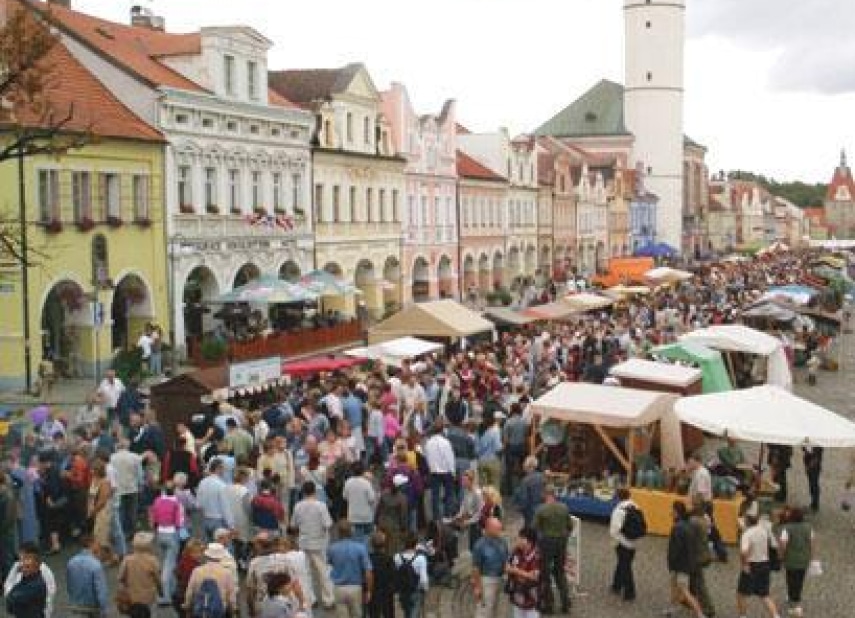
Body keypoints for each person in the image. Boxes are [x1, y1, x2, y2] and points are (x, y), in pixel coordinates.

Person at [290, 480, 335, 609]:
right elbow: (328, 524)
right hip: (319, 543)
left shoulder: (298, 506)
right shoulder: (321, 506)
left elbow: (293, 525)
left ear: (303, 492)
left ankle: (310, 599)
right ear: (314, 491)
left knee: (305, 573)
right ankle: (328, 599)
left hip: (303, 542)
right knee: (323, 572)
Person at [532, 486, 572, 614]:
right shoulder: (564, 507)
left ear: (545, 494)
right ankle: (566, 602)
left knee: (545, 574)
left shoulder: (541, 509)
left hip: (546, 543)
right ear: (554, 494)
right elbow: (570, 526)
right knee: (560, 572)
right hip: (561, 542)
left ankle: (549, 605)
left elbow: (534, 527)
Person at [664, 502, 706, 618]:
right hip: (688, 563)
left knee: (684, 590)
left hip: (679, 565)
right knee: (675, 587)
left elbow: (675, 549)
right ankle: (671, 609)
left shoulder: (677, 528)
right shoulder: (689, 525)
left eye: (672, 511)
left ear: (677, 513)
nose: (671, 513)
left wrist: (670, 563)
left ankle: (700, 613)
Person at [736, 514, 781, 618]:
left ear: (747, 522)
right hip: (765, 564)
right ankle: (775, 615)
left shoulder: (747, 534)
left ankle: (743, 616)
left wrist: (744, 565)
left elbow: (743, 552)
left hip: (752, 565)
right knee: (764, 594)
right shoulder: (762, 530)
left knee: (741, 593)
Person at [327, 520, 374, 618]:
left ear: (339, 532)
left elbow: (330, 563)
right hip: (355, 587)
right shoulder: (360, 548)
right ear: (351, 532)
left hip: (339, 587)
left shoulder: (332, 548)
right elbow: (368, 571)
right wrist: (369, 590)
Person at [148, 482, 184, 605]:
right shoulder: (176, 503)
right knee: (169, 566)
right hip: (171, 534)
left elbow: (153, 518)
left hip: (160, 533)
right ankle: (165, 596)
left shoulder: (157, 501)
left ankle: (171, 589)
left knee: (164, 563)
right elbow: (179, 522)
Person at [779, 507, 816, 618]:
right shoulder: (809, 528)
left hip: (791, 560)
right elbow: (812, 543)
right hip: (804, 560)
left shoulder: (787, 528)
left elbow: (783, 545)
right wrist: (812, 557)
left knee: (791, 579)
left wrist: (780, 557)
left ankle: (795, 604)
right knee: (800, 579)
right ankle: (793, 597)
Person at [183, 543, 238, 617]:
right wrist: (233, 610)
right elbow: (231, 596)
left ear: (207, 555)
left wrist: (187, 606)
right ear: (221, 557)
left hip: (201, 610)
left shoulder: (197, 571)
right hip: (219, 611)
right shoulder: (227, 573)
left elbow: (190, 591)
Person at [3, 543, 57, 618]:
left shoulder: (44, 574)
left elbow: (50, 596)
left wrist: (12, 595)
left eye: (26, 558)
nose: (22, 563)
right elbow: (7, 588)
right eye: (20, 558)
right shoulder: (17, 566)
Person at [118, 532, 162, 618]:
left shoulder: (127, 559)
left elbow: (120, 577)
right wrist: (161, 591)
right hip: (149, 598)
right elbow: (157, 579)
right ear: (148, 546)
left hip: (133, 598)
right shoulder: (152, 560)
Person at [471, 517, 508, 618]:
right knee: (484, 610)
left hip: (501, 578)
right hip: (487, 580)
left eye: (500, 528)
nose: (500, 531)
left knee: (499, 609)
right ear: (488, 529)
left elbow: (506, 558)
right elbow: (475, 568)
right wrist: (477, 587)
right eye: (497, 529)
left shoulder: (503, 541)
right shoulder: (479, 545)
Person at [66, 534, 109, 617]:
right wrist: (104, 611)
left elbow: (69, 586)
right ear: (91, 544)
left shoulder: (71, 562)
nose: (99, 546)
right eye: (97, 543)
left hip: (75, 606)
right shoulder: (96, 565)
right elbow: (101, 591)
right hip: (92, 609)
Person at [687, 498, 716, 618]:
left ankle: (708, 608)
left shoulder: (693, 521)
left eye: (692, 504)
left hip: (696, 557)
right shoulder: (704, 519)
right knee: (695, 581)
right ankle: (692, 601)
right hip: (703, 554)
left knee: (700, 583)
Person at [609, 487, 638, 602]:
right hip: (633, 541)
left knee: (625, 566)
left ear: (619, 497)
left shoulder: (619, 509)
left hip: (622, 541)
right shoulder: (635, 506)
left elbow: (614, 529)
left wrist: (614, 539)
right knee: (623, 563)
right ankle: (616, 585)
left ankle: (630, 592)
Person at [424, 421, 456, 523]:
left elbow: (427, 457)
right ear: (442, 431)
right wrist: (453, 471)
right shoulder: (446, 442)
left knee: (435, 495)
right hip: (446, 471)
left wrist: (431, 468)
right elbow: (449, 458)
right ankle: (447, 515)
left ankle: (436, 517)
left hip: (434, 472)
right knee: (449, 494)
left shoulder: (428, 443)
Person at [196, 458, 235, 540]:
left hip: (205, 518)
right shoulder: (221, 485)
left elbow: (198, 504)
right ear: (218, 468)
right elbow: (225, 507)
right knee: (221, 547)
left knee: (209, 548)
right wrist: (231, 525)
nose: (224, 471)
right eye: (223, 468)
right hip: (218, 520)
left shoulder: (202, 482)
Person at [506, 527, 541, 618]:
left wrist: (516, 571)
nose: (518, 540)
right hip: (517, 593)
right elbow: (508, 565)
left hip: (531, 596)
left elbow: (535, 577)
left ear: (529, 541)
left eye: (521, 538)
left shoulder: (537, 555)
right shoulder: (517, 551)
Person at [393, 531, 428, 618]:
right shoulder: (420, 559)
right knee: (414, 613)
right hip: (415, 590)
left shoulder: (397, 557)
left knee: (407, 612)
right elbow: (423, 579)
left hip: (403, 591)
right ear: (415, 544)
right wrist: (425, 589)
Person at [341, 461, 377, 541]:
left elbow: (345, 497)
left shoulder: (348, 482)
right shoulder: (366, 483)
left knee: (355, 537)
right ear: (362, 471)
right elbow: (372, 499)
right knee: (367, 538)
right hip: (366, 515)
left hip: (353, 515)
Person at [375, 474, 409, 555]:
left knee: (381, 545)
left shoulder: (384, 493)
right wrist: (404, 527)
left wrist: (376, 521)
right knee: (392, 549)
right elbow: (403, 515)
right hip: (394, 526)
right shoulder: (402, 498)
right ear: (400, 486)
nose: (406, 485)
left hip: (382, 522)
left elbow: (378, 509)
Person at [367, 531, 396, 618]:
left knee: (373, 614)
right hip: (386, 592)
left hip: (373, 591)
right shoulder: (389, 559)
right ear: (384, 544)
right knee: (388, 613)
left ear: (372, 544)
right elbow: (393, 576)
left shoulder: (369, 558)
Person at [172, 539, 204, 617]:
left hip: (178, 595)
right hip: (186, 596)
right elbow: (189, 583)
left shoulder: (183, 560)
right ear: (189, 552)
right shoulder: (194, 566)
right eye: (196, 552)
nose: (199, 555)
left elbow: (176, 572)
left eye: (201, 552)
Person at [454, 470, 485, 550]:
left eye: (464, 480)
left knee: (477, 545)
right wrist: (460, 514)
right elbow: (463, 504)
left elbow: (479, 512)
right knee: (472, 546)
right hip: (471, 521)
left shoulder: (477, 493)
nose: (462, 482)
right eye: (462, 480)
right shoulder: (467, 490)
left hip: (478, 523)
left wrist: (467, 522)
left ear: (471, 481)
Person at [515, 456, 545, 528]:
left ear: (527, 466)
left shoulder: (525, 481)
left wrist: (520, 508)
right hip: (542, 507)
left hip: (530, 510)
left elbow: (524, 498)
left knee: (530, 528)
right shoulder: (542, 477)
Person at [802, 446, 823, 512]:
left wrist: (810, 466)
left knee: (814, 485)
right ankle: (813, 502)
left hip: (814, 467)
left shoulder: (818, 445)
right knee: (811, 485)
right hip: (809, 466)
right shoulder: (808, 443)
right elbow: (803, 449)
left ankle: (815, 504)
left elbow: (817, 457)